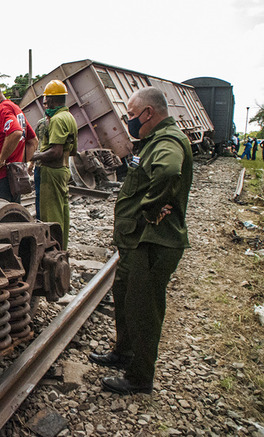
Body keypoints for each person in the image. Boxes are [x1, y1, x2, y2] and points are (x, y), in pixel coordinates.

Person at [88, 87, 193, 395]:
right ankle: (123, 353)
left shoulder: (168, 141)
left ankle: (139, 378)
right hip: (138, 241)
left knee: (144, 310)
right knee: (123, 295)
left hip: (154, 242)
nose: (129, 120)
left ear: (149, 113)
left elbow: (169, 169)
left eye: (132, 115)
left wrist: (151, 205)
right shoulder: (152, 141)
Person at [31, 80, 78, 250]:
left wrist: (35, 156)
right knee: (61, 214)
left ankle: (53, 252)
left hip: (51, 171)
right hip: (63, 170)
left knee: (50, 217)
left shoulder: (57, 119)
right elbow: (71, 151)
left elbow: (56, 152)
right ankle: (62, 248)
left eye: (46, 100)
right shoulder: (70, 117)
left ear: (50, 100)